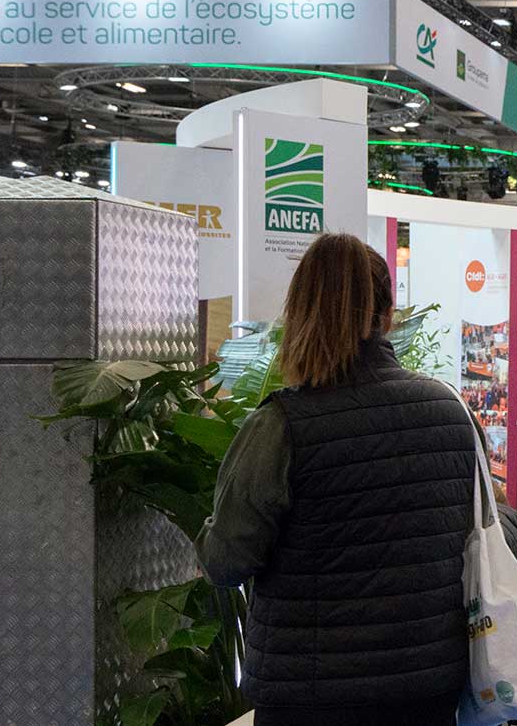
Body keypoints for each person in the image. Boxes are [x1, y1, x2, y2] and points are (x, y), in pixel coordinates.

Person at [197, 233, 477, 726]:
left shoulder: (280, 426)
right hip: (428, 686)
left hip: (310, 692)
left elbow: (225, 562)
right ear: (388, 315)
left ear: (299, 313)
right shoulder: (450, 410)